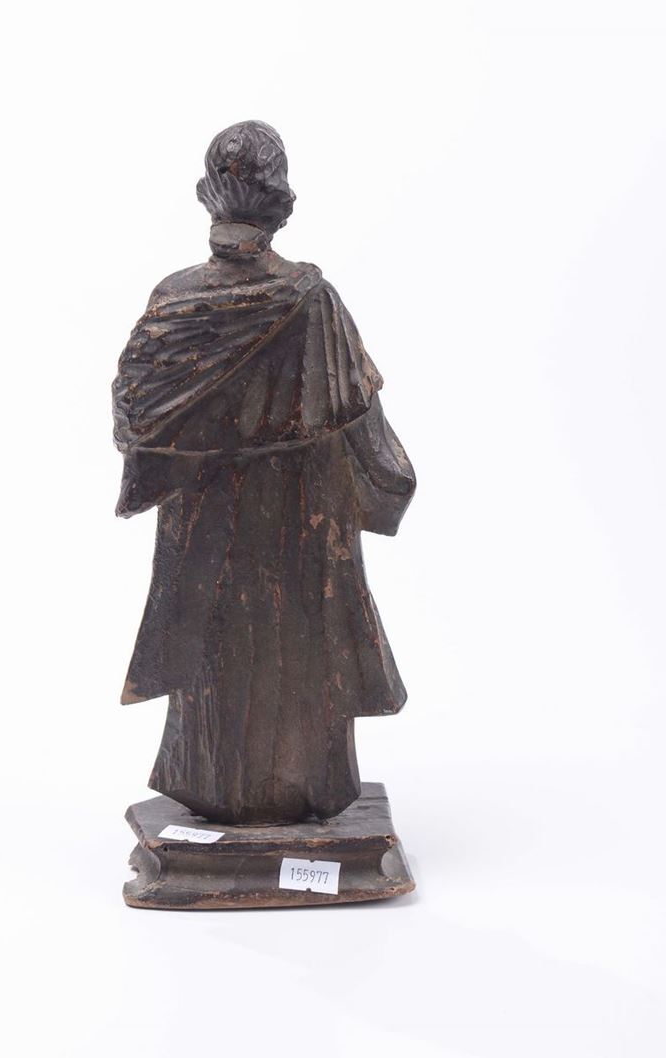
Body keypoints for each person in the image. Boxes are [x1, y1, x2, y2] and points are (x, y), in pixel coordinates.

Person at [112, 121, 415, 825]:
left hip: (208, 533)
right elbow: (363, 428)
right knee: (296, 649)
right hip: (300, 531)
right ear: (282, 202)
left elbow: (135, 415)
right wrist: (389, 481)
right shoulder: (310, 298)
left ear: (207, 195)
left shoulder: (176, 297)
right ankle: (294, 795)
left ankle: (218, 790)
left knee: (215, 649)